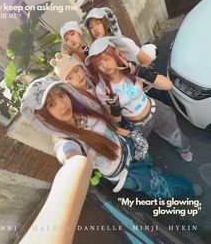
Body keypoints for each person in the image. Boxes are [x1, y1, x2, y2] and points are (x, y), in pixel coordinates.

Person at [20, 76, 202, 198]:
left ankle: (152, 171)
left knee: (150, 165)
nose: (62, 104)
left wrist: (120, 132)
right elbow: (71, 160)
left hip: (130, 148)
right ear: (41, 116)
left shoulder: (80, 112)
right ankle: (185, 190)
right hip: (128, 172)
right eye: (51, 104)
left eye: (61, 94)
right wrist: (73, 168)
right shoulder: (66, 142)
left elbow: (105, 123)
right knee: (161, 188)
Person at [85, 37, 193, 162]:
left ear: (115, 54)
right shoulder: (102, 90)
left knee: (175, 136)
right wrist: (115, 108)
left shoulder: (132, 70)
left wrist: (141, 72)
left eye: (106, 58)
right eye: (98, 63)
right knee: (141, 150)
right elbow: (115, 119)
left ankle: (184, 149)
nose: (104, 65)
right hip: (137, 125)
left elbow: (168, 85)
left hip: (156, 111)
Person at [84, 7, 155, 66]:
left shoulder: (123, 42)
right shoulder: (97, 51)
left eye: (98, 23)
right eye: (91, 27)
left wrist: (136, 79)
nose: (95, 29)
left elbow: (147, 61)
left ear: (105, 23)